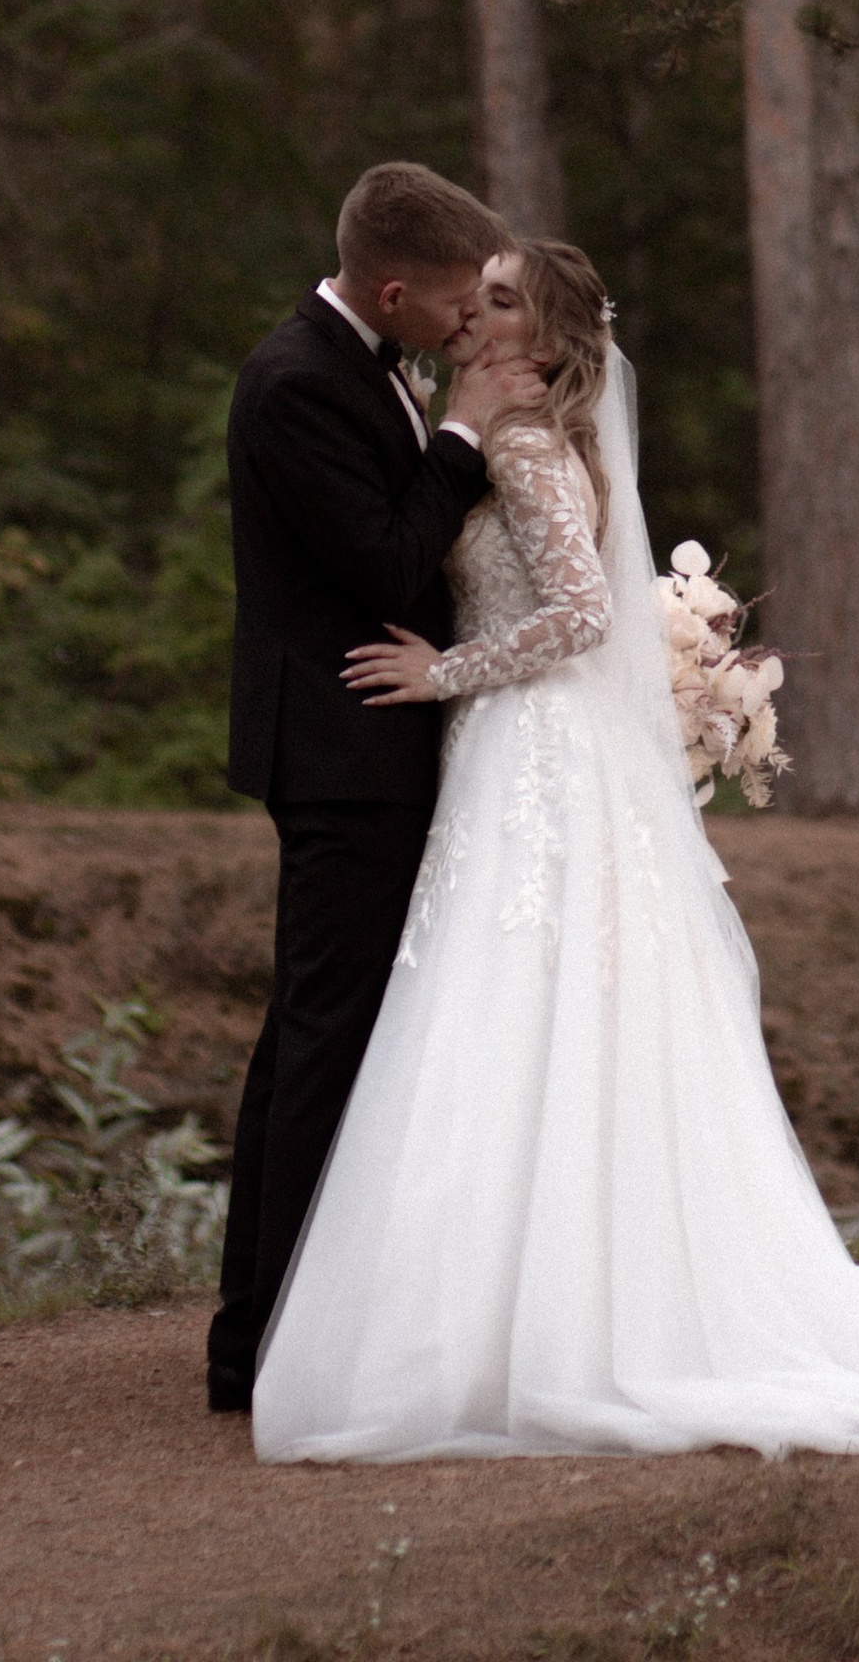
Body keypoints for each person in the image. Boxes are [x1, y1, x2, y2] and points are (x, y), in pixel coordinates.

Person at [252, 237, 859, 1462]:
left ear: (554, 340)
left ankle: (514, 1323)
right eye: (478, 295)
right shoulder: (532, 434)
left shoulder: (520, 442)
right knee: (539, 1014)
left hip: (525, 748)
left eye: (503, 301)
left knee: (511, 1009)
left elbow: (583, 615)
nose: (476, 312)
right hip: (524, 758)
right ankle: (554, 1308)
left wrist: (442, 670)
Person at [205, 161, 550, 1415]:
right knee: (324, 1046)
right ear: (394, 290)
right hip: (344, 756)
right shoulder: (295, 383)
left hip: (373, 750)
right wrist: (461, 436)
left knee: (312, 1039)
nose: (470, 323)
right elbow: (387, 562)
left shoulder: (360, 364)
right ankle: (264, 1349)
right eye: (457, 302)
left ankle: (260, 1333)